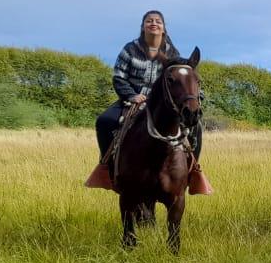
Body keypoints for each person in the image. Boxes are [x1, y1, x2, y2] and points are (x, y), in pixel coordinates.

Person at [88, 10, 211, 194]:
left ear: (163, 28)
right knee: (104, 121)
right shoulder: (130, 49)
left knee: (196, 127)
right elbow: (118, 77)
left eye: (158, 21)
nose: (154, 23)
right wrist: (131, 95)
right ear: (143, 26)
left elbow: (180, 80)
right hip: (133, 99)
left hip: (162, 103)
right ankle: (107, 167)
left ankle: (193, 170)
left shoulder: (171, 51)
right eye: (149, 21)